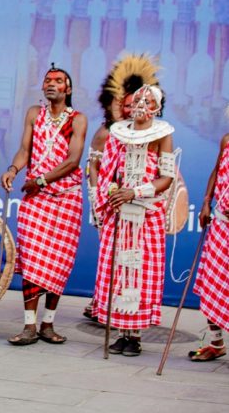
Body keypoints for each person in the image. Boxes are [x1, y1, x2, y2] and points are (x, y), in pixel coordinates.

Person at [1, 67, 87, 345]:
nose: (52, 84)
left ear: (68, 89)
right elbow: (25, 150)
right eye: (48, 80)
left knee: (58, 261)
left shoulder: (78, 119)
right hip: (35, 199)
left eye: (58, 81)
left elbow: (73, 161)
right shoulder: (34, 114)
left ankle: (48, 324)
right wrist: (13, 169)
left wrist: (40, 180)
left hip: (66, 199)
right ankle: (29, 325)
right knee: (32, 260)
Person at [94, 82, 174, 357]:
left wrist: (136, 192)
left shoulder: (163, 135)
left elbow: (166, 177)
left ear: (157, 107)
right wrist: (113, 193)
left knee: (139, 273)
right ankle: (120, 332)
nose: (141, 105)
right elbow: (107, 172)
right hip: (119, 212)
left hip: (146, 214)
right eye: (138, 99)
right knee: (117, 271)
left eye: (147, 101)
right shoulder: (118, 133)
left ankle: (135, 336)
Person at [84, 55, 160, 320]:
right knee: (112, 258)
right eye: (125, 104)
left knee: (138, 262)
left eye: (135, 103)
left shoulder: (157, 135)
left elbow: (163, 174)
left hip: (142, 209)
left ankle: (131, 317)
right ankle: (103, 304)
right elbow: (94, 168)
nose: (130, 109)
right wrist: (98, 201)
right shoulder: (108, 133)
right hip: (111, 205)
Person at [189, 131, 229, 361]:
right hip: (222, 224)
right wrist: (206, 202)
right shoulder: (227, 140)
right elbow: (217, 170)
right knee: (212, 283)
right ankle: (216, 343)